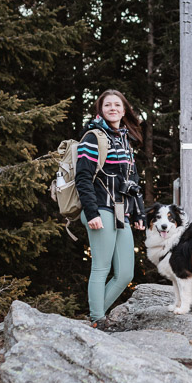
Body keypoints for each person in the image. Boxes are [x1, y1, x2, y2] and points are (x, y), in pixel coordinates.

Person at [75, 89, 145, 327]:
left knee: (125, 273)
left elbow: (132, 180)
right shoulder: (92, 137)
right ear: (100, 110)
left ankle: (96, 317)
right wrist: (91, 212)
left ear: (124, 110)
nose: (113, 108)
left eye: (117, 105)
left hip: (120, 210)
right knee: (101, 267)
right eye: (108, 105)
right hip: (99, 209)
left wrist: (138, 212)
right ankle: (97, 319)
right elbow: (83, 177)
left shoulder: (125, 140)